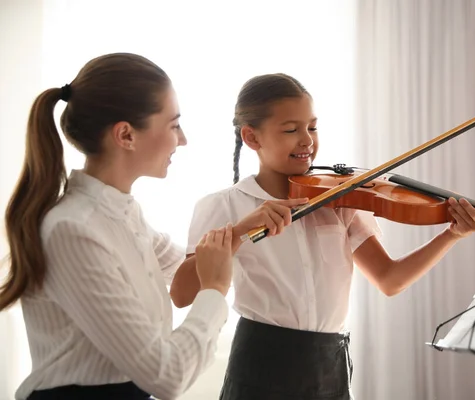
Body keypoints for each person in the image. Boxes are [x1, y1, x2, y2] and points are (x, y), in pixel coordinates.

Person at [169, 73, 475, 400]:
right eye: (290, 130)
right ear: (252, 137)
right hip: (261, 363)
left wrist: (451, 234)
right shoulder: (222, 205)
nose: (307, 140)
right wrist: (240, 231)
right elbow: (182, 294)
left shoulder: (338, 201)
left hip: (330, 364)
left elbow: (390, 279)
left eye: (312, 127)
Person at [0, 54, 303, 400]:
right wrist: (215, 290)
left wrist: (239, 231)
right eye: (174, 125)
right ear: (126, 135)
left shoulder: (124, 215)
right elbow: (166, 375)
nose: (183, 139)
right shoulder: (73, 230)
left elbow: (185, 270)